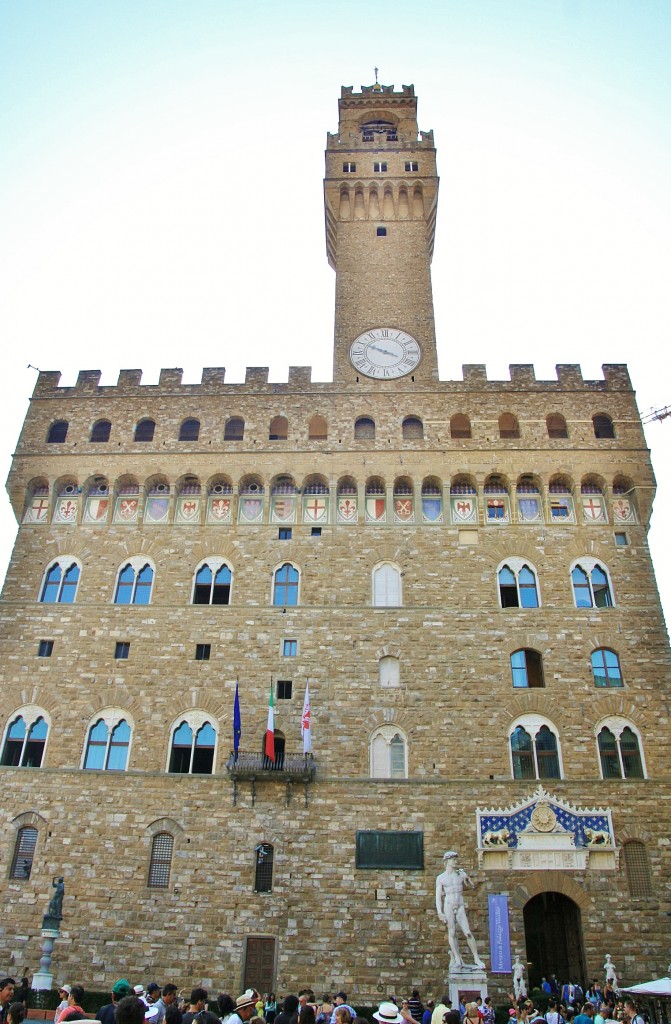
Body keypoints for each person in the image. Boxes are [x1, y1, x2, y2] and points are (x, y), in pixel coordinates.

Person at [435, 851, 485, 969]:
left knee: (468, 932)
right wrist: (439, 912)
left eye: (456, 859)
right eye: (454, 860)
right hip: (448, 905)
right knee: (452, 932)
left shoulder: (460, 874)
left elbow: (472, 887)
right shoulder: (441, 878)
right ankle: (457, 958)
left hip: (460, 905)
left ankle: (476, 958)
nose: (456, 862)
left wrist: (467, 878)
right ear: (447, 861)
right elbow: (438, 896)